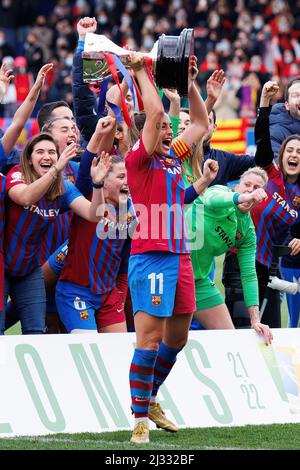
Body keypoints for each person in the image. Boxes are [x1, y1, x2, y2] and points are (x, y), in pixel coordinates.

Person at [125, 51, 214, 444]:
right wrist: (143, 71)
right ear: (149, 133)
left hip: (179, 256)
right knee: (148, 342)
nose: (170, 133)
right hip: (150, 257)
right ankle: (139, 419)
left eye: (169, 131)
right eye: (162, 129)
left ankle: (151, 396)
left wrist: (189, 81)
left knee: (177, 340)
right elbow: (158, 112)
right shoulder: (138, 161)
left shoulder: (174, 160)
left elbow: (200, 123)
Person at [1, 132, 110, 335]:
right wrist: (57, 168)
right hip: (2, 265)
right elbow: (26, 197)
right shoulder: (17, 175)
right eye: (40, 152)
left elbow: (93, 214)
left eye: (52, 152)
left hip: (29, 269)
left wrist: (97, 185)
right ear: (29, 159)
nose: (47, 156)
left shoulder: (62, 186)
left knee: (36, 331)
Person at [55, 115, 136, 333]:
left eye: (127, 177)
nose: (126, 182)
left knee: (119, 354)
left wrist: (118, 295)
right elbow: (84, 171)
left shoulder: (131, 213)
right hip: (75, 294)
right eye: (120, 177)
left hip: (109, 295)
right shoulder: (87, 195)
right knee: (88, 351)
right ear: (103, 179)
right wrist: (99, 134)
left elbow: (124, 263)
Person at [185, 166, 272, 344]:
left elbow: (248, 275)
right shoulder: (221, 191)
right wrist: (244, 196)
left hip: (198, 281)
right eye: (247, 184)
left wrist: (255, 319)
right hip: (172, 270)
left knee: (229, 339)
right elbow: (211, 199)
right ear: (237, 186)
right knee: (167, 338)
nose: (250, 190)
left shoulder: (247, 232)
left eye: (257, 188)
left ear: (262, 195)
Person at [269, 76, 300, 327]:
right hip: (288, 247)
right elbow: (282, 178)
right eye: (296, 95)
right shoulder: (279, 128)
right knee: (290, 316)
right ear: (287, 104)